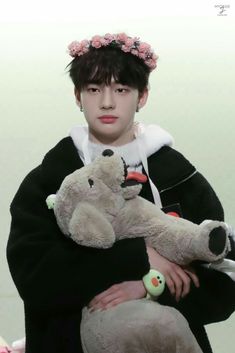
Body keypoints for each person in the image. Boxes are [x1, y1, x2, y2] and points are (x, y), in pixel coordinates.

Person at [7, 32, 235, 353]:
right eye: (94, 89)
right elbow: (36, 280)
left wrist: (148, 287)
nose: (107, 102)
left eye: (121, 89)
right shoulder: (50, 179)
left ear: (142, 96)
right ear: (78, 96)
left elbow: (221, 287)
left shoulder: (180, 177)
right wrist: (140, 257)